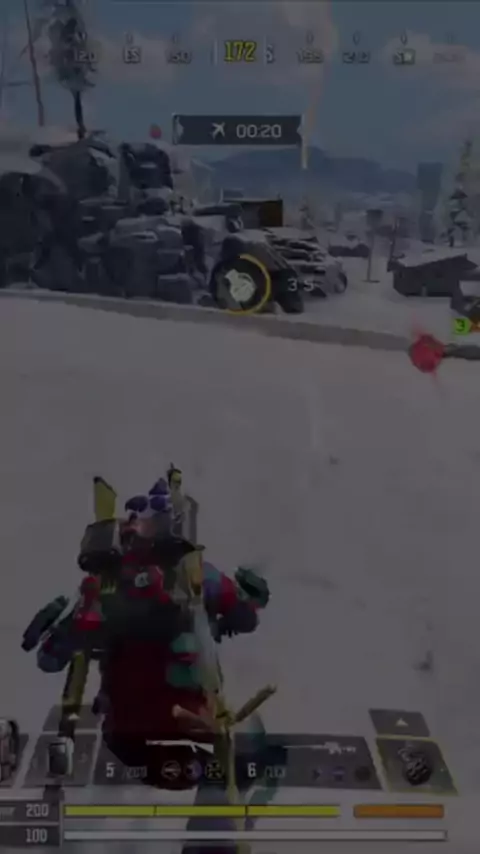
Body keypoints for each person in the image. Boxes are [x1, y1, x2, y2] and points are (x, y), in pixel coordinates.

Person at [26, 476, 269, 790]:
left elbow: (50, 660)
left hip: (134, 737)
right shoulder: (194, 577)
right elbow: (245, 618)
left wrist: (58, 628)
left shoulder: (104, 589)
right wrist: (246, 603)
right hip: (180, 732)